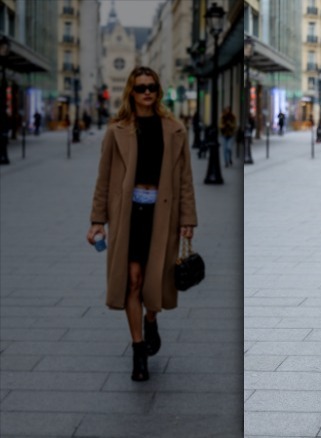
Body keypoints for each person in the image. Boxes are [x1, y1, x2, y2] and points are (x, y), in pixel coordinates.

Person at [86, 66, 197, 382]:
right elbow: (104, 180)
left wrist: (188, 219)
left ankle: (151, 320)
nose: (146, 92)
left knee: (155, 281)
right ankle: (138, 352)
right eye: (140, 87)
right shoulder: (117, 130)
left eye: (151, 87)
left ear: (158, 91)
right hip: (128, 215)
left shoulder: (174, 130)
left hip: (163, 215)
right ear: (131, 93)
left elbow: (185, 179)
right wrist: (97, 221)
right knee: (133, 280)